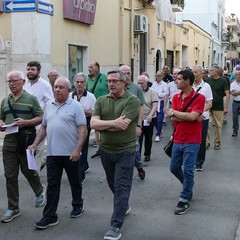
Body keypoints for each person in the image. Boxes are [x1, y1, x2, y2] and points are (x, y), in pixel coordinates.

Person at [29, 77, 87, 229]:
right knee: (53, 184)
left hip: (71, 153)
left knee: (75, 181)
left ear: (69, 90)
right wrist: (35, 143)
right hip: (53, 153)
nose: (57, 90)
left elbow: (83, 129)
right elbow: (43, 128)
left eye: (61, 87)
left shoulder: (75, 106)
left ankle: (77, 205)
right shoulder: (49, 105)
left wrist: (77, 149)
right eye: (55, 87)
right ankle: (49, 216)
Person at [90, 69, 140, 240]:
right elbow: (93, 123)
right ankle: (123, 204)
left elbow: (123, 125)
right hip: (106, 150)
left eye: (114, 81)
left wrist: (102, 125)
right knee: (113, 184)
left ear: (124, 82)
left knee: (121, 187)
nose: (110, 84)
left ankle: (115, 226)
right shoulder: (101, 100)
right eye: (109, 81)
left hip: (125, 151)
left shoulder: (132, 100)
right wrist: (112, 123)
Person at [0, 70, 45, 223]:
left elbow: (41, 118)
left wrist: (26, 123)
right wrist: (1, 124)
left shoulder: (31, 99)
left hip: (25, 143)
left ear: (23, 82)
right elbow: (1, 118)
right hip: (9, 144)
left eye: (15, 81)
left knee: (28, 171)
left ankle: (39, 190)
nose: (12, 84)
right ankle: (13, 207)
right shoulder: (5, 101)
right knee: (10, 176)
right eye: (9, 82)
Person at [167, 70, 205, 215]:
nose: (176, 81)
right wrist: (188, 116)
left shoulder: (199, 97)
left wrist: (175, 113)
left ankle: (184, 199)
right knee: (174, 167)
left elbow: (193, 116)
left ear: (187, 81)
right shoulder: (176, 97)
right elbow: (173, 118)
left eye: (179, 79)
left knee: (188, 170)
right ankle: (188, 186)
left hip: (192, 140)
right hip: (177, 138)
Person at [24, 61, 54, 173]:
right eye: (28, 69)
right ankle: (38, 164)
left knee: (39, 149)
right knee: (28, 148)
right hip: (25, 123)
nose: (30, 72)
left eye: (32, 69)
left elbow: (50, 102)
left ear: (39, 71)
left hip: (39, 123)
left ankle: (35, 175)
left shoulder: (45, 85)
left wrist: (44, 116)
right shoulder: (24, 84)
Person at [119, 65, 145, 177]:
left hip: (133, 125)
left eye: (129, 73)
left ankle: (139, 166)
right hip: (118, 124)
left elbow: (141, 107)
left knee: (135, 149)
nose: (127, 76)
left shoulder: (136, 88)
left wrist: (139, 125)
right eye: (124, 73)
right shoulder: (114, 87)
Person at [70, 72, 96, 183]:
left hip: (85, 123)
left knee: (82, 147)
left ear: (85, 83)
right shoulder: (70, 96)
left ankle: (80, 175)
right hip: (71, 125)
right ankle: (84, 166)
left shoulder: (90, 96)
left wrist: (83, 111)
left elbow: (95, 113)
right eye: (77, 82)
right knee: (72, 146)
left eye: (82, 82)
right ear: (74, 83)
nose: (79, 84)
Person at [86, 61, 109, 159]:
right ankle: (100, 149)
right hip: (94, 107)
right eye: (88, 67)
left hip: (106, 105)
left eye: (91, 67)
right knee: (96, 128)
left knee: (106, 127)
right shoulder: (87, 79)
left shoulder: (104, 77)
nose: (89, 69)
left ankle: (107, 147)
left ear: (97, 67)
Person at [192, 66, 213, 171]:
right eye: (193, 72)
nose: (194, 74)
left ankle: (199, 162)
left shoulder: (206, 86)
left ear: (201, 74)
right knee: (190, 139)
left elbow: (209, 103)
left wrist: (200, 112)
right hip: (190, 117)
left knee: (200, 139)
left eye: (196, 72)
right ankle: (190, 159)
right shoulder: (189, 85)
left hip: (202, 117)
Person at [206, 65, 230, 150]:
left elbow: (227, 93)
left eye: (211, 70)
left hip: (218, 106)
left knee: (218, 125)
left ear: (216, 72)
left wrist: (226, 107)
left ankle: (217, 143)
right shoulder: (207, 80)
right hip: (208, 106)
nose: (210, 72)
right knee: (206, 124)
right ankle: (207, 142)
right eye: (210, 70)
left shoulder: (223, 81)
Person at [137, 75, 158, 162]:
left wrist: (150, 115)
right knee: (139, 137)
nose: (139, 85)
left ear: (146, 82)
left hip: (149, 117)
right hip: (139, 118)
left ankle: (147, 154)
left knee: (148, 137)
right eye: (138, 83)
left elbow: (155, 105)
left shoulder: (152, 91)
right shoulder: (136, 92)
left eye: (141, 83)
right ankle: (137, 155)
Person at [151, 70, 168, 142]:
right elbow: (151, 93)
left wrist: (157, 93)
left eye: (159, 76)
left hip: (161, 103)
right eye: (156, 76)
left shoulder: (165, 85)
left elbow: (163, 95)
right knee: (154, 119)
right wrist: (159, 93)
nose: (158, 77)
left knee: (160, 119)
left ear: (162, 76)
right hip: (154, 103)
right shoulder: (154, 84)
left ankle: (157, 135)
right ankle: (159, 130)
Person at [230, 70, 240, 137]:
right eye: (236, 75)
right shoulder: (232, 84)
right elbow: (233, 93)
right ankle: (235, 130)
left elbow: (235, 93)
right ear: (235, 76)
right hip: (236, 102)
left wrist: (237, 92)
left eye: (239, 74)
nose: (238, 76)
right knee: (235, 117)